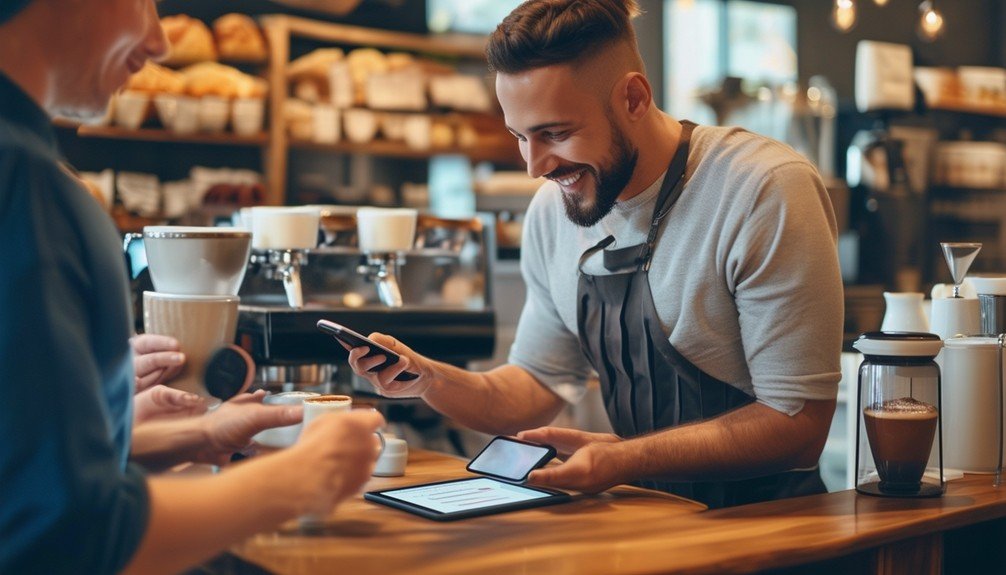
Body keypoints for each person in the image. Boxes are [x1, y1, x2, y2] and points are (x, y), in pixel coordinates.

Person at [346, 0, 843, 509]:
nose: (535, 166)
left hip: (771, 526)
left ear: (633, 97)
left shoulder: (761, 190)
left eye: (555, 134)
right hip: (646, 519)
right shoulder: (551, 212)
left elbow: (798, 424)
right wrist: (430, 379)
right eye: (521, 137)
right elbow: (534, 386)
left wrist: (627, 458)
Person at [0, 1, 384, 573]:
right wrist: (297, 479)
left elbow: (22, 478)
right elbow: (65, 537)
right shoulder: (29, 187)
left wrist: (196, 436)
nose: (157, 41)